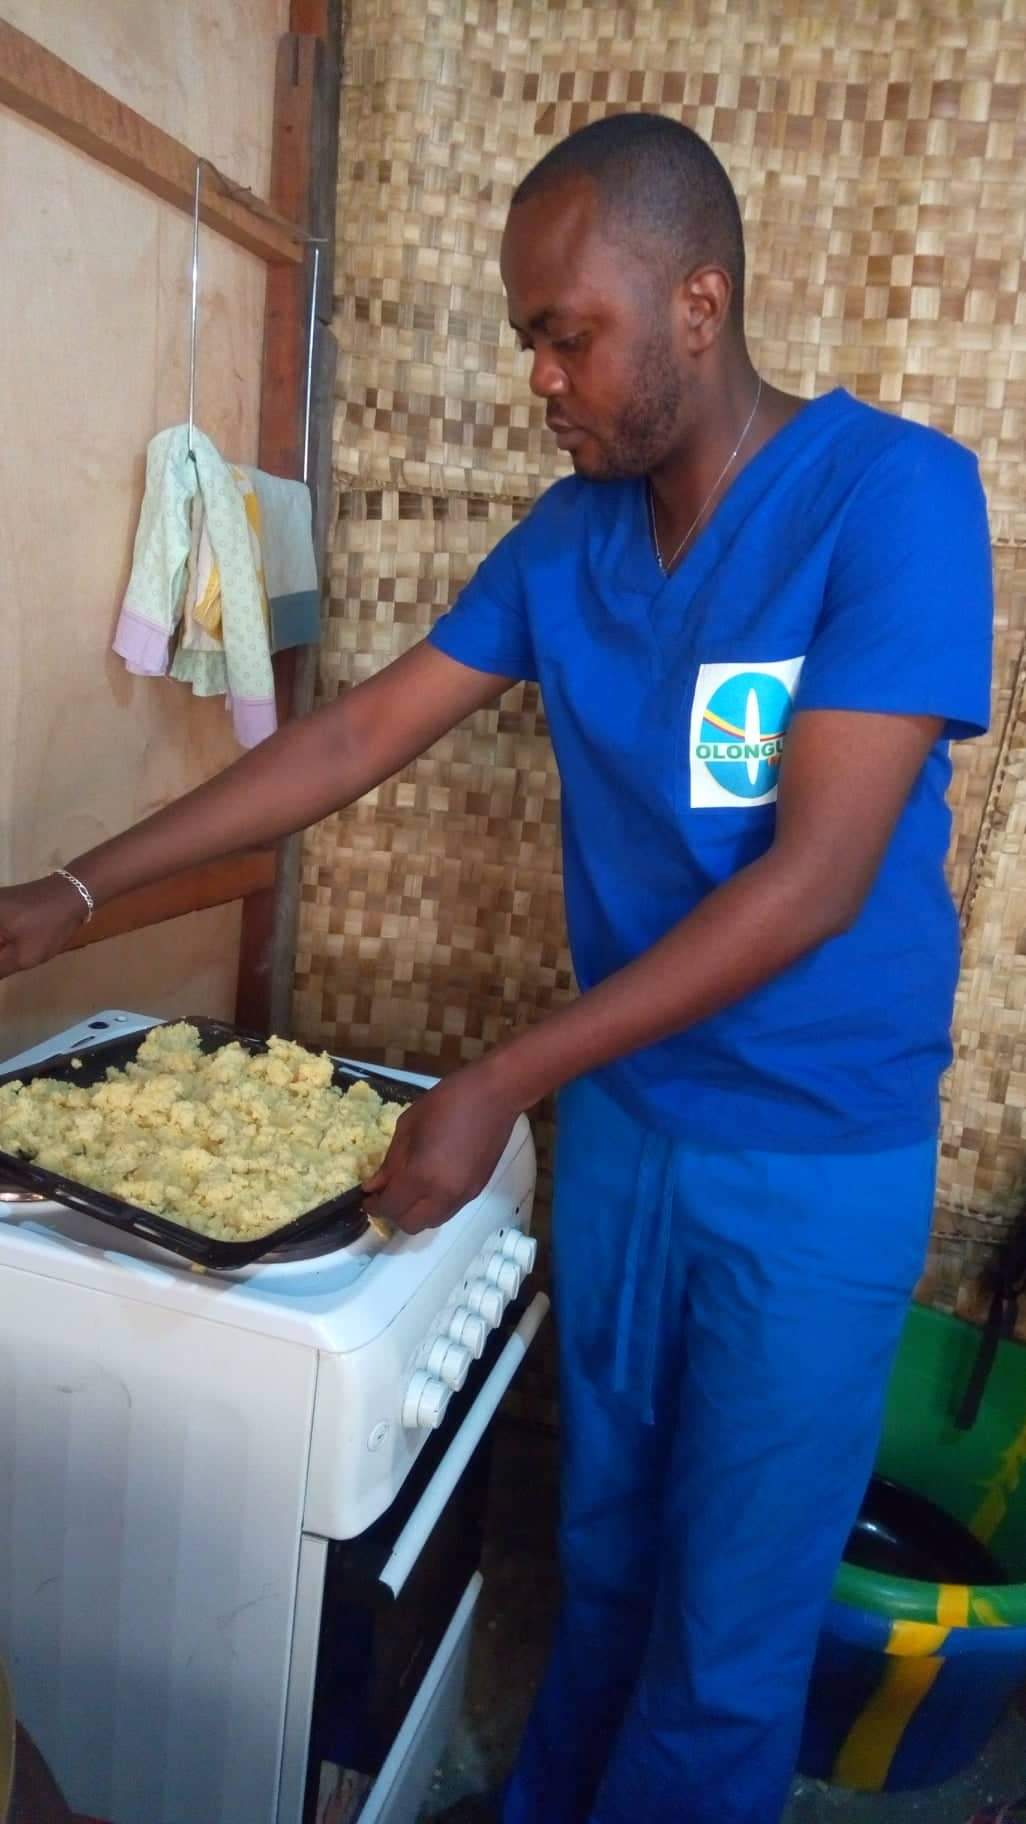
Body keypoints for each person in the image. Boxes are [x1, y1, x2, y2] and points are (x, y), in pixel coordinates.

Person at [0, 114, 993, 1824]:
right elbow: (365, 731)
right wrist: (75, 894)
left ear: (698, 303)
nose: (541, 377)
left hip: (811, 1158)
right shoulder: (569, 539)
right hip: (627, 1131)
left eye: (567, 334)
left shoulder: (889, 497)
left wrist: (494, 1080)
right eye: (526, 339)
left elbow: (816, 881)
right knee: (598, 1546)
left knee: (727, 1623)